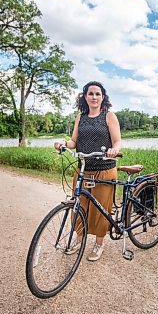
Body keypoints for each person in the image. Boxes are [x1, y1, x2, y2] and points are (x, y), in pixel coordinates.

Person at [54, 81, 121, 261]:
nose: (94, 97)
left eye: (97, 94)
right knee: (79, 207)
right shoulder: (80, 117)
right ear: (85, 96)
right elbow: (74, 142)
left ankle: (99, 244)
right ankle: (79, 240)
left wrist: (114, 149)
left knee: (101, 209)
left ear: (103, 97)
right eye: (90, 93)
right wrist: (63, 143)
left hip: (104, 170)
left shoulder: (109, 116)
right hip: (83, 169)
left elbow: (117, 141)